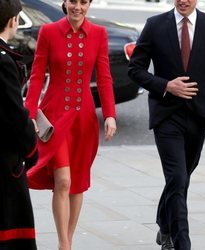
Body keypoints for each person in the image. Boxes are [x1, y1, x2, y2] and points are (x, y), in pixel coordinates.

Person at [128, 0, 205, 249]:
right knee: (177, 177)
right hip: (166, 115)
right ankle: (179, 241)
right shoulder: (155, 25)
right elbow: (135, 69)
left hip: (198, 115)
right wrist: (165, 85)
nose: (183, 0)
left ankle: (165, 224)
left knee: (181, 179)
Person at [24, 0, 117, 249]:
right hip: (54, 117)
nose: (78, 7)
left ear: (89, 4)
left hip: (84, 118)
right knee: (62, 180)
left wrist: (109, 114)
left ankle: (69, 240)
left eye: (83, 2)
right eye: (73, 1)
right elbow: (36, 75)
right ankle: (64, 245)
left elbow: (105, 77)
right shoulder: (48, 31)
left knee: (77, 182)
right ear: (65, 2)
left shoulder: (99, 34)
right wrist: (30, 113)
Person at [0, 0, 39, 249]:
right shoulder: (4, 61)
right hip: (4, 160)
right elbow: (14, 114)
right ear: (13, 20)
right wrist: (31, 149)